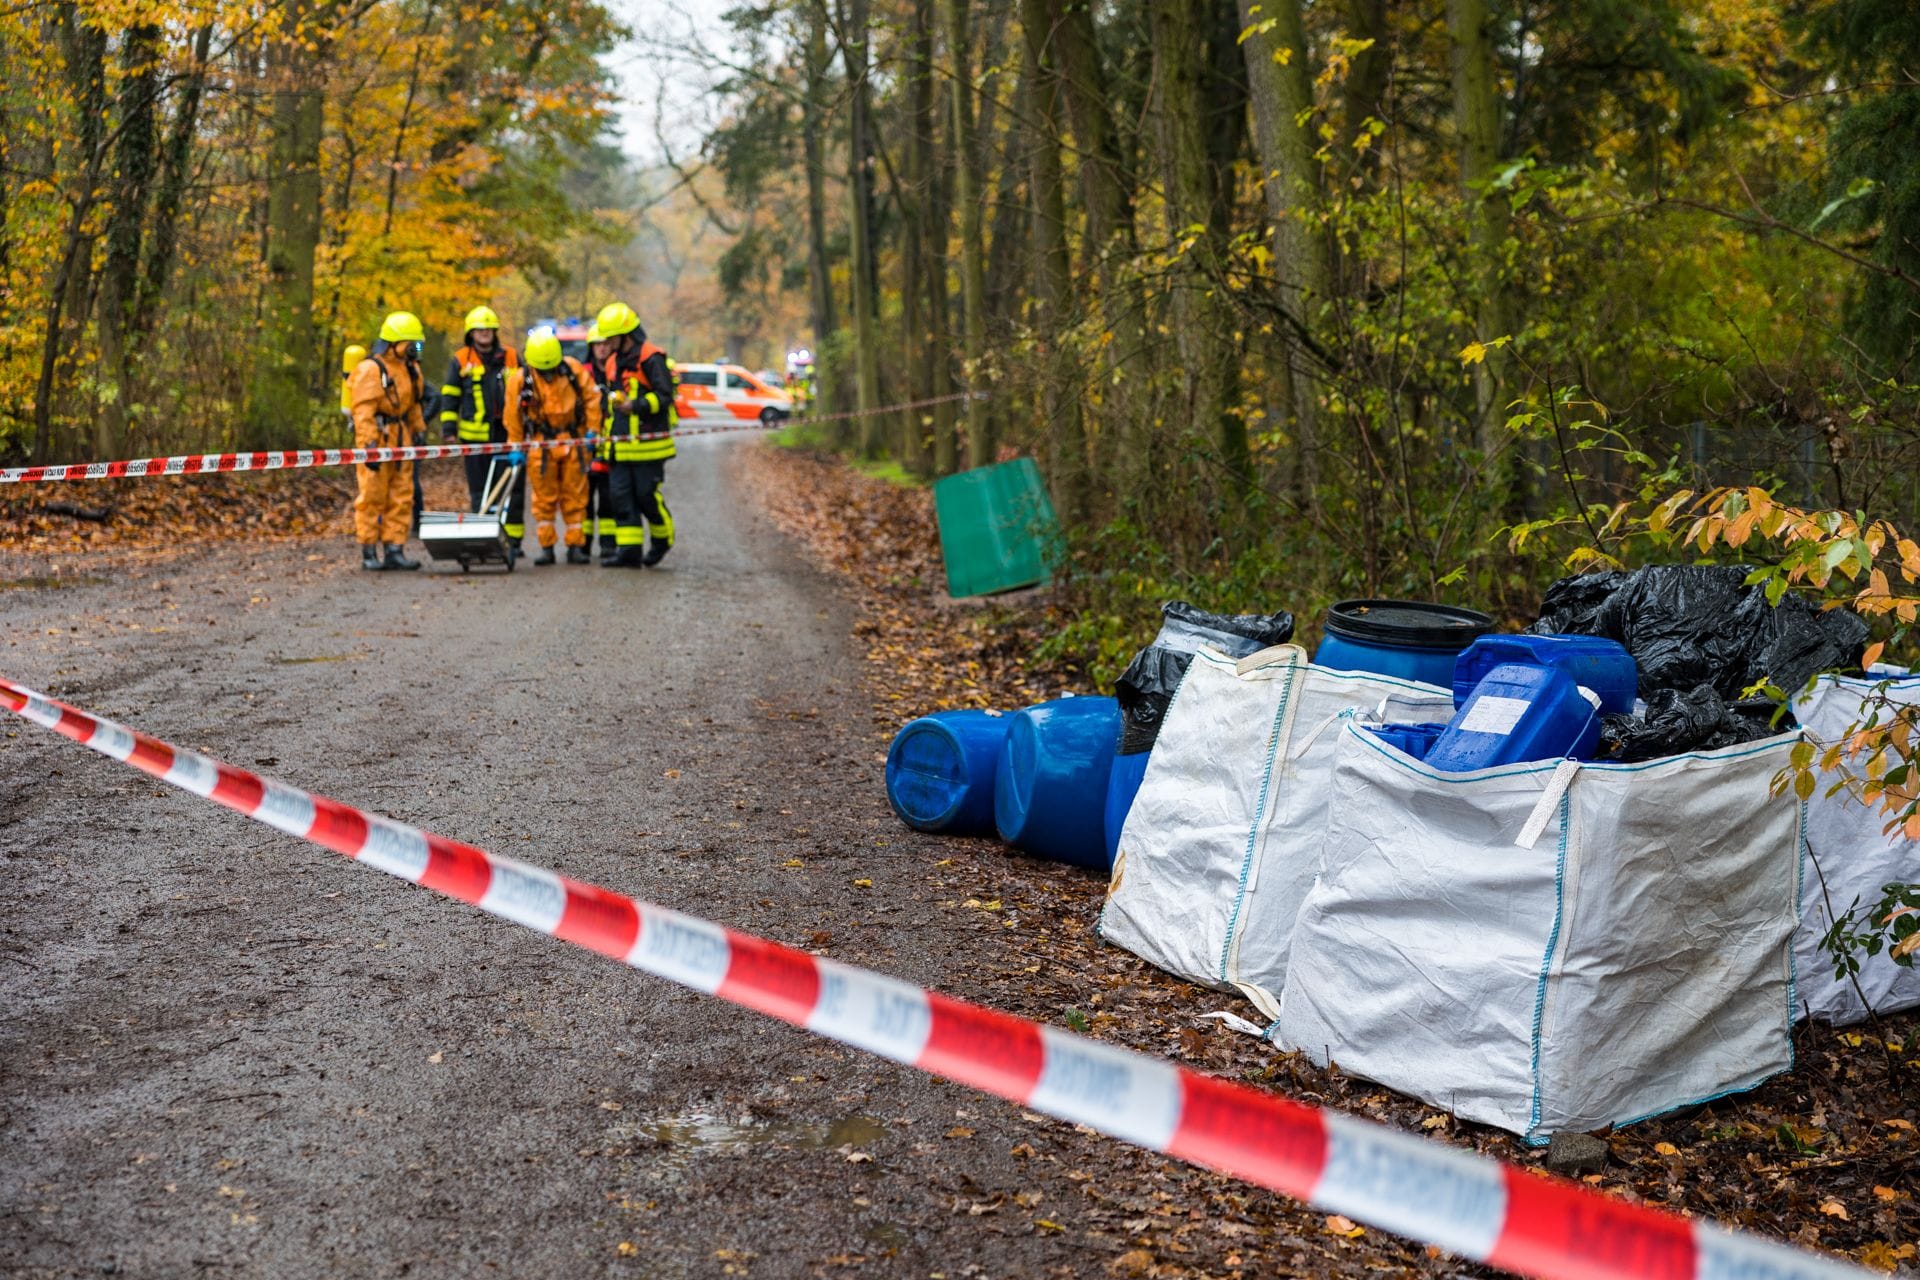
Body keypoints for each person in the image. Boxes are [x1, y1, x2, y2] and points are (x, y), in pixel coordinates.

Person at [505, 329, 600, 565]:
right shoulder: (520, 379)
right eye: (543, 370)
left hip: (573, 440)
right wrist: (515, 446)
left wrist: (593, 430)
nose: (548, 374)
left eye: (551, 369)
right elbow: (513, 416)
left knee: (575, 495)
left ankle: (575, 546)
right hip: (541, 443)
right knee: (544, 498)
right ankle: (546, 546)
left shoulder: (572, 370)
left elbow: (592, 398)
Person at [593, 301, 676, 568]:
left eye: (610, 337)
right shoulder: (612, 362)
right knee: (621, 498)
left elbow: (665, 397)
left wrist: (636, 405)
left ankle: (662, 539)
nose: (606, 342)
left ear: (624, 334)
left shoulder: (651, 358)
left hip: (648, 446)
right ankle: (629, 551)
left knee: (645, 497)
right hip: (619, 446)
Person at [349, 313, 428, 571]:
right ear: (395, 343)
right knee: (372, 495)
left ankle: (395, 549)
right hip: (379, 439)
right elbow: (363, 412)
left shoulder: (411, 369)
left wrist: (419, 429)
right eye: (411, 344)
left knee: (403, 494)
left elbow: (413, 403)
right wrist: (369, 446)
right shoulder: (370, 369)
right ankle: (369, 551)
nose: (415, 350)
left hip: (402, 438)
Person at [439, 305, 524, 541]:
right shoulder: (461, 359)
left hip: (507, 434)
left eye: (488, 329)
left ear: (495, 331)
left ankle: (513, 540)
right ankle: (483, 534)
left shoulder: (511, 357)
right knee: (479, 489)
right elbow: (450, 394)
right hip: (474, 437)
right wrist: (449, 429)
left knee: (511, 488)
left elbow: (527, 390)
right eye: (479, 329)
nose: (484, 333)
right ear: (471, 333)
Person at [583, 321, 618, 565]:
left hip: (612, 444)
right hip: (586, 445)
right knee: (583, 498)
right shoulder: (582, 373)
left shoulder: (618, 371)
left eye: (606, 344)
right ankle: (582, 546)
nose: (602, 349)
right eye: (598, 345)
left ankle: (608, 545)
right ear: (591, 347)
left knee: (608, 499)